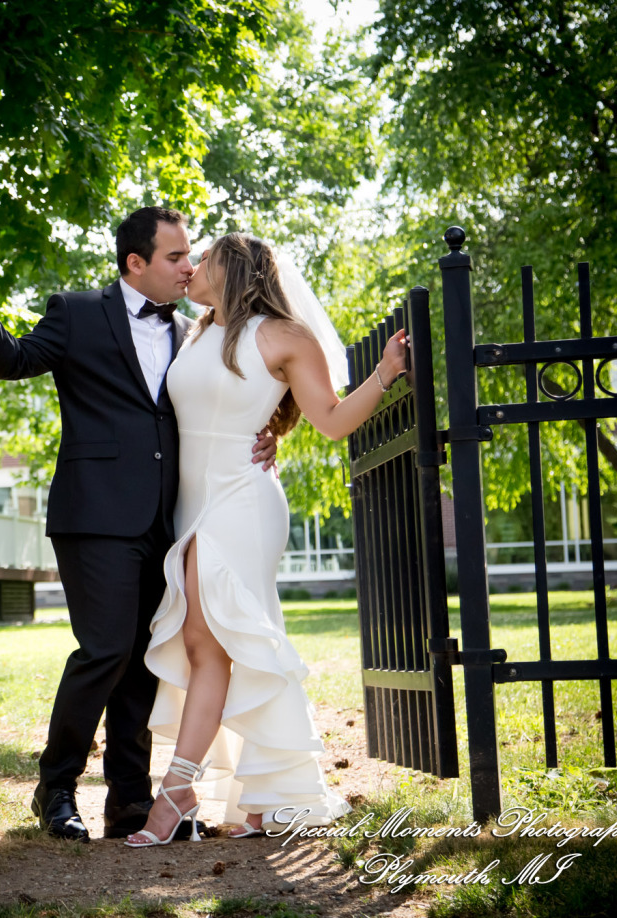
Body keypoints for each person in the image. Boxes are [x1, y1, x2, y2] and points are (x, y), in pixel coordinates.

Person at [0, 208, 277, 842]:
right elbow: (14, 360)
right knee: (106, 650)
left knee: (147, 660)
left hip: (170, 518)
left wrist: (265, 437)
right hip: (94, 512)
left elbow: (231, 399)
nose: (190, 267)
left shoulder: (195, 333)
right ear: (136, 263)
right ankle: (56, 787)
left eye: (191, 257)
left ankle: (129, 801)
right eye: (177, 257)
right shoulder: (76, 311)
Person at [123, 232, 409, 847]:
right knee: (222, 647)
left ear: (235, 269)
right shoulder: (195, 332)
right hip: (192, 505)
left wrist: (385, 375)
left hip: (244, 504)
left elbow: (330, 420)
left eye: (204, 258)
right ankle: (265, 799)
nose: (192, 267)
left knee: (208, 642)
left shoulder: (285, 336)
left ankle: (176, 791)